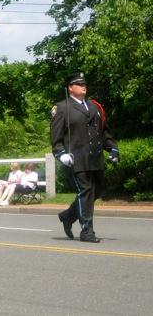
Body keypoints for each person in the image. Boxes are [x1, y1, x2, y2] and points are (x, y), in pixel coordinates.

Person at [51, 72, 119, 243]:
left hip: (95, 158)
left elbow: (102, 132)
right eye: (79, 84)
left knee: (97, 190)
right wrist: (60, 153)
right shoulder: (62, 108)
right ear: (70, 88)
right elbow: (56, 136)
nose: (83, 86)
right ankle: (87, 231)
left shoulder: (94, 107)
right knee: (86, 191)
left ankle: (68, 216)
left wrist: (112, 148)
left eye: (85, 84)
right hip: (77, 159)